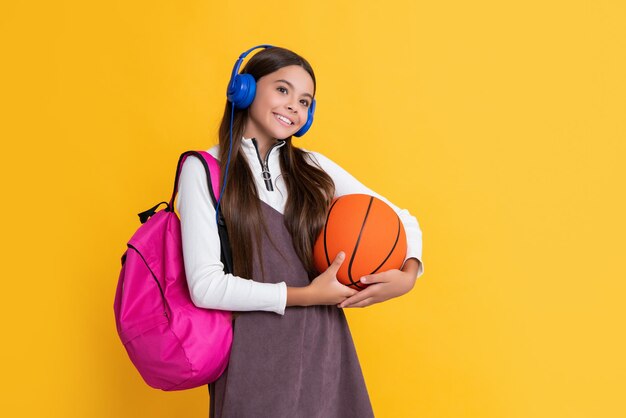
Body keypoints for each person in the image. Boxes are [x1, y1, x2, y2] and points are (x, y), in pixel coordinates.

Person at [175, 44, 424, 418]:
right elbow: (206, 286)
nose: (294, 105)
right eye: (282, 89)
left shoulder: (312, 166)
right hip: (254, 358)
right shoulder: (205, 170)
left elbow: (399, 217)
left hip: (326, 349)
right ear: (243, 89)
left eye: (305, 101)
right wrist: (306, 295)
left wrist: (408, 274)